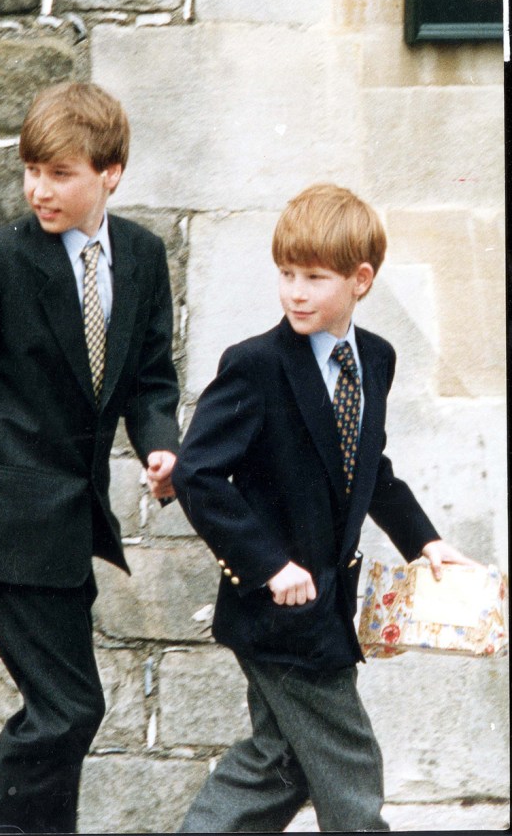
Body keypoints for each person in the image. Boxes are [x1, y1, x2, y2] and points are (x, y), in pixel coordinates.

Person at [0, 82, 180, 835]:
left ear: (110, 173)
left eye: (59, 174)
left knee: (62, 721)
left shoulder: (143, 257)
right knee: (70, 709)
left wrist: (160, 445)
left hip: (71, 528)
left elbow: (148, 380)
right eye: (30, 170)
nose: (38, 189)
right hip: (3, 523)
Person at [171, 183, 474, 833]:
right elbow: (198, 474)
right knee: (350, 764)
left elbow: (370, 469)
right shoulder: (255, 364)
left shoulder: (377, 361)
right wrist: (272, 565)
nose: (295, 292)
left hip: (330, 604)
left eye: (314, 277)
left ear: (360, 280)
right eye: (286, 274)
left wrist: (425, 541)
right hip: (278, 608)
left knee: (279, 762)